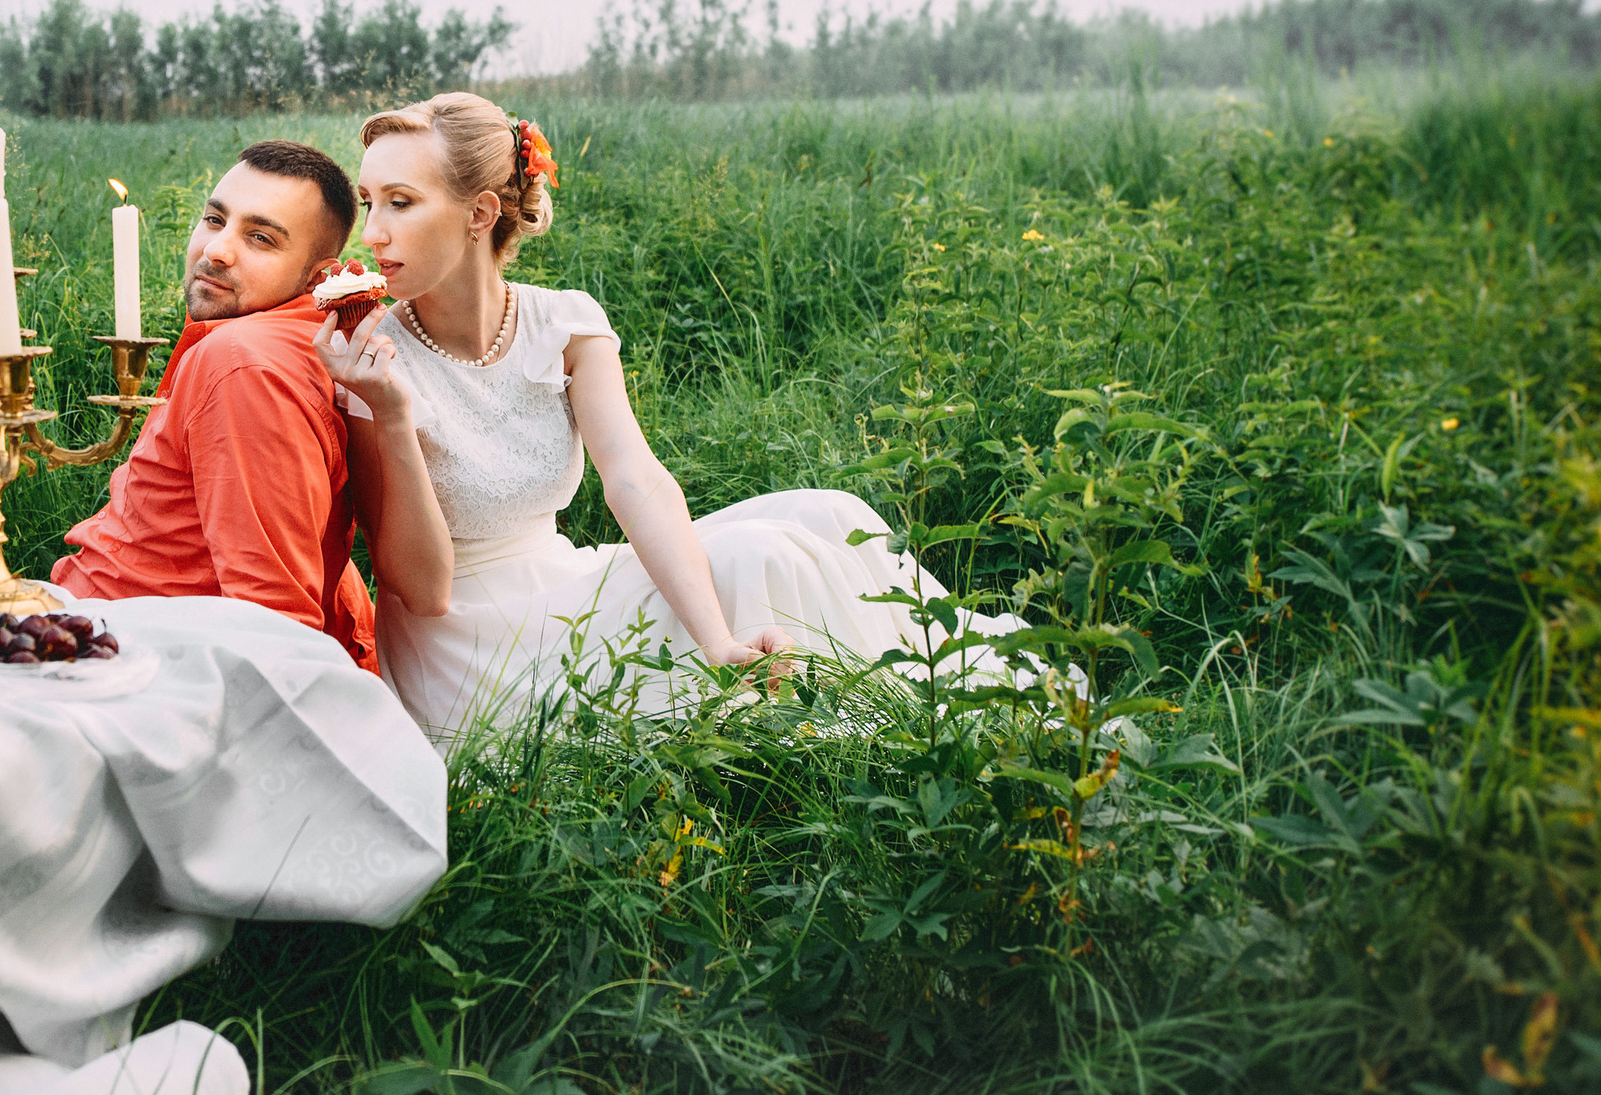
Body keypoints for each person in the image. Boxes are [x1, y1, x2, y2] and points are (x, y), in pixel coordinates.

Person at [320, 92, 1029, 735]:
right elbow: (420, 589)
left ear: (479, 212)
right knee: (760, 555)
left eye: (401, 202)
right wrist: (389, 415)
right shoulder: (371, 357)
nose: (373, 232)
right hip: (467, 649)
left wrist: (717, 636)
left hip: (559, 578)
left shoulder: (563, 324)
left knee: (833, 515)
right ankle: (889, 725)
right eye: (368, 201)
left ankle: (942, 698)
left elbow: (637, 483)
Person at [55, 139, 379, 671]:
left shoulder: (244, 366)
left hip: (122, 655)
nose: (217, 250)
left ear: (321, 278)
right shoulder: (289, 336)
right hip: (106, 623)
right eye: (213, 219)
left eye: (260, 238)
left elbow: (272, 617)